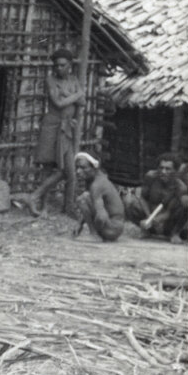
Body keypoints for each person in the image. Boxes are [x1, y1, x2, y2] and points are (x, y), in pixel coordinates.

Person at [28, 49, 85, 216]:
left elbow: (82, 101)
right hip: (51, 126)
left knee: (69, 170)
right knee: (47, 166)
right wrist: (76, 94)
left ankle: (67, 207)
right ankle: (42, 207)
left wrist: (71, 95)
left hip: (67, 128)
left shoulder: (74, 80)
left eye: (62, 65)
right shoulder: (50, 80)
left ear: (70, 66)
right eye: (56, 65)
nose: (59, 68)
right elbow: (58, 103)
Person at [124, 152, 188, 245]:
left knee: (187, 202)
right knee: (129, 201)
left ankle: (175, 233)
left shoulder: (180, 187)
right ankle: (146, 230)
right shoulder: (150, 176)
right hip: (150, 216)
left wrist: (157, 219)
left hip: (167, 222)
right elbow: (143, 198)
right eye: (161, 168)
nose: (163, 172)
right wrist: (148, 218)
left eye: (168, 169)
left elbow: (170, 211)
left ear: (175, 171)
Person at [72, 152, 125, 242]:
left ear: (94, 167)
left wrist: (96, 230)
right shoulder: (98, 179)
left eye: (83, 167)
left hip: (112, 228)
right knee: (86, 197)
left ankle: (94, 235)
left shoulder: (96, 185)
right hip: (115, 228)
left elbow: (101, 216)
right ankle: (96, 234)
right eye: (77, 167)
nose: (78, 171)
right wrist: (80, 223)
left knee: (82, 199)